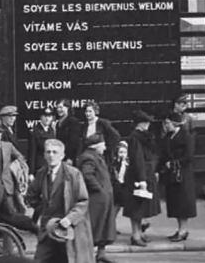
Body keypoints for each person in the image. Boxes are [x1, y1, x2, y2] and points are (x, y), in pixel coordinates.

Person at [25, 138, 96, 263]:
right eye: (48, 152)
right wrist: (44, 209)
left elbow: (83, 201)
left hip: (69, 229)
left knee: (69, 259)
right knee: (40, 259)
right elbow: (31, 195)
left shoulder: (73, 174)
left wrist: (69, 219)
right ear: (44, 155)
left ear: (62, 155)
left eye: (55, 152)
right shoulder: (41, 174)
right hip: (48, 229)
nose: (51, 155)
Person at [121, 110, 160, 247]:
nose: (149, 124)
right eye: (147, 122)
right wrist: (142, 179)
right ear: (142, 123)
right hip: (139, 176)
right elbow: (138, 159)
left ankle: (139, 234)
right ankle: (135, 235)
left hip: (145, 173)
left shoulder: (140, 137)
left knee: (141, 207)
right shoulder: (135, 138)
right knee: (136, 207)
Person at [78, 134, 116, 262]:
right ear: (96, 146)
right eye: (103, 145)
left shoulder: (95, 156)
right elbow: (87, 174)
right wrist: (99, 189)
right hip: (97, 199)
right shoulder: (88, 157)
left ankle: (101, 253)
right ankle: (87, 255)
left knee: (104, 225)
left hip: (103, 197)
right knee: (95, 226)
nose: (104, 147)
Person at [158, 112, 196, 242]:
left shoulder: (186, 137)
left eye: (168, 123)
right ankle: (180, 229)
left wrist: (175, 163)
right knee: (175, 203)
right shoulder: (168, 137)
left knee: (183, 203)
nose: (166, 126)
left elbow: (189, 156)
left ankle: (183, 230)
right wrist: (157, 170)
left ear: (175, 123)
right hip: (171, 174)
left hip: (183, 174)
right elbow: (163, 155)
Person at [30, 108, 56, 178]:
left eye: (49, 116)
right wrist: (31, 173)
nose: (47, 119)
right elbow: (32, 152)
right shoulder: (35, 131)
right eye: (45, 116)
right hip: (40, 167)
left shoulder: (52, 130)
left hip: (52, 166)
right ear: (41, 117)